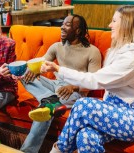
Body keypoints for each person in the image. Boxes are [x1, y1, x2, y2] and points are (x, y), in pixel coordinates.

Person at [40, 5, 134, 153]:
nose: (109, 25)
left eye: (114, 21)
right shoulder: (117, 51)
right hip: (112, 111)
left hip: (131, 118)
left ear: (126, 25)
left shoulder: (132, 58)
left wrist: (59, 69)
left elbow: (94, 80)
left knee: (82, 105)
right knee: (85, 136)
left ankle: (58, 150)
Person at [20, 14, 102, 152]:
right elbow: (41, 64)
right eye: (63, 24)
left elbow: (94, 82)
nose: (62, 27)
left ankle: (26, 151)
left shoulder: (92, 52)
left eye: (67, 25)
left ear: (78, 31)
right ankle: (49, 100)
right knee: (22, 73)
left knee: (46, 111)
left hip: (75, 92)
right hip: (54, 86)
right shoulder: (56, 46)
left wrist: (74, 87)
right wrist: (33, 70)